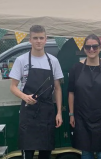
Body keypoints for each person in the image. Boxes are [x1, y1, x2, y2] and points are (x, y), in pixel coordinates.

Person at [9, 25, 64, 159]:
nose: (38, 41)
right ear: (30, 40)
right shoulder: (21, 60)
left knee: (45, 154)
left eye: (41, 38)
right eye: (35, 38)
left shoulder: (53, 61)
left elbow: (57, 88)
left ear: (46, 39)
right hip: (28, 112)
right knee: (28, 153)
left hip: (47, 112)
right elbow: (13, 86)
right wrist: (24, 96)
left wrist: (59, 112)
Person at [68, 34, 101, 159]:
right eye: (88, 47)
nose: (91, 50)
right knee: (86, 153)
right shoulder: (76, 68)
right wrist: (71, 114)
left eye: (94, 46)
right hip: (82, 117)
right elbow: (71, 93)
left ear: (100, 48)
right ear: (84, 49)